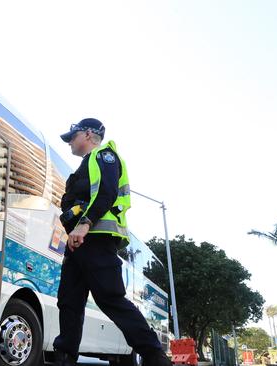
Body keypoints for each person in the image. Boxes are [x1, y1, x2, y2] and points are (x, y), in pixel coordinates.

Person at [53, 118, 171, 366]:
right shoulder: (83, 168)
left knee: (110, 298)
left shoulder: (104, 156)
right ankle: (65, 358)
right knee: (69, 301)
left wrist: (84, 225)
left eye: (72, 137)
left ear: (87, 134)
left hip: (96, 239)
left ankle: (154, 356)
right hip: (78, 243)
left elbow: (107, 193)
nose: (69, 143)